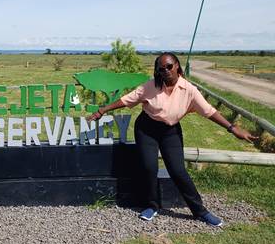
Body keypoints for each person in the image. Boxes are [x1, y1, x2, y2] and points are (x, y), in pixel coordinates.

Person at [88, 52, 257, 227]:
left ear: (177, 66)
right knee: (149, 167)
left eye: (169, 66)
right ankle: (151, 206)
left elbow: (209, 111)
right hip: (147, 129)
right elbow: (127, 99)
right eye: (161, 68)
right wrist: (103, 110)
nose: (166, 70)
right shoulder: (151, 86)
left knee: (178, 171)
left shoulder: (189, 90)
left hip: (170, 131)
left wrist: (232, 128)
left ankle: (200, 211)